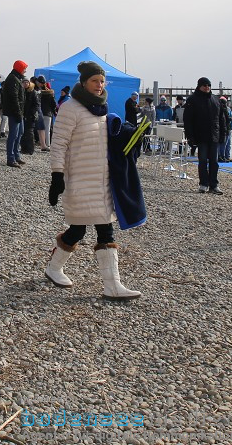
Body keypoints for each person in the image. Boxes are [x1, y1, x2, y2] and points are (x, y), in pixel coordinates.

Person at [45, 61, 141, 300]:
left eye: (102, 81)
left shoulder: (103, 109)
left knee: (103, 230)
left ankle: (111, 285)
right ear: (84, 82)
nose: (99, 86)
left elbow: (106, 142)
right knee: (78, 229)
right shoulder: (70, 108)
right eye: (94, 81)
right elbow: (58, 144)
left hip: (102, 180)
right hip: (78, 180)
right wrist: (57, 175)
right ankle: (54, 268)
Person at [183, 77, 223, 194]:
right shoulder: (192, 100)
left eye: (209, 85)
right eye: (204, 85)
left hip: (214, 135)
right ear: (199, 86)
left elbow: (221, 119)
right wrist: (190, 136)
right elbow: (188, 120)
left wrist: (222, 134)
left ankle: (214, 185)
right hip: (200, 136)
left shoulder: (215, 99)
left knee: (214, 162)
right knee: (203, 160)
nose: (207, 87)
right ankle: (203, 184)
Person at [2, 60, 27, 167]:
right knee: (13, 134)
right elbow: (14, 98)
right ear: (19, 68)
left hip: (18, 111)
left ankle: (16, 155)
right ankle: (10, 158)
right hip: (14, 112)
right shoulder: (13, 79)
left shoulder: (16, 78)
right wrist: (17, 113)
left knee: (20, 132)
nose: (25, 71)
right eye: (24, 68)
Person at [22, 79, 39, 156]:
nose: (25, 84)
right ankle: (24, 149)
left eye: (27, 82)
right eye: (24, 82)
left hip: (30, 116)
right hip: (22, 115)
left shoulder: (33, 92)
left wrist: (31, 113)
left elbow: (36, 104)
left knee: (29, 133)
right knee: (22, 133)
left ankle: (30, 149)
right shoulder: (21, 92)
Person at [218, 96, 232, 162]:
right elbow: (226, 119)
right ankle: (221, 156)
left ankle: (227, 156)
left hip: (228, 128)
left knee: (227, 144)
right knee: (222, 144)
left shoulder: (228, 109)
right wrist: (230, 118)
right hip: (223, 128)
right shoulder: (221, 109)